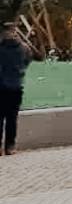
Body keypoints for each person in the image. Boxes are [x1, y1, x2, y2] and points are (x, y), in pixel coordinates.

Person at [0, 23, 34, 156]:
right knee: (12, 118)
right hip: (16, 86)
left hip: (1, 86)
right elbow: (28, 61)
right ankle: (10, 146)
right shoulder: (24, 48)